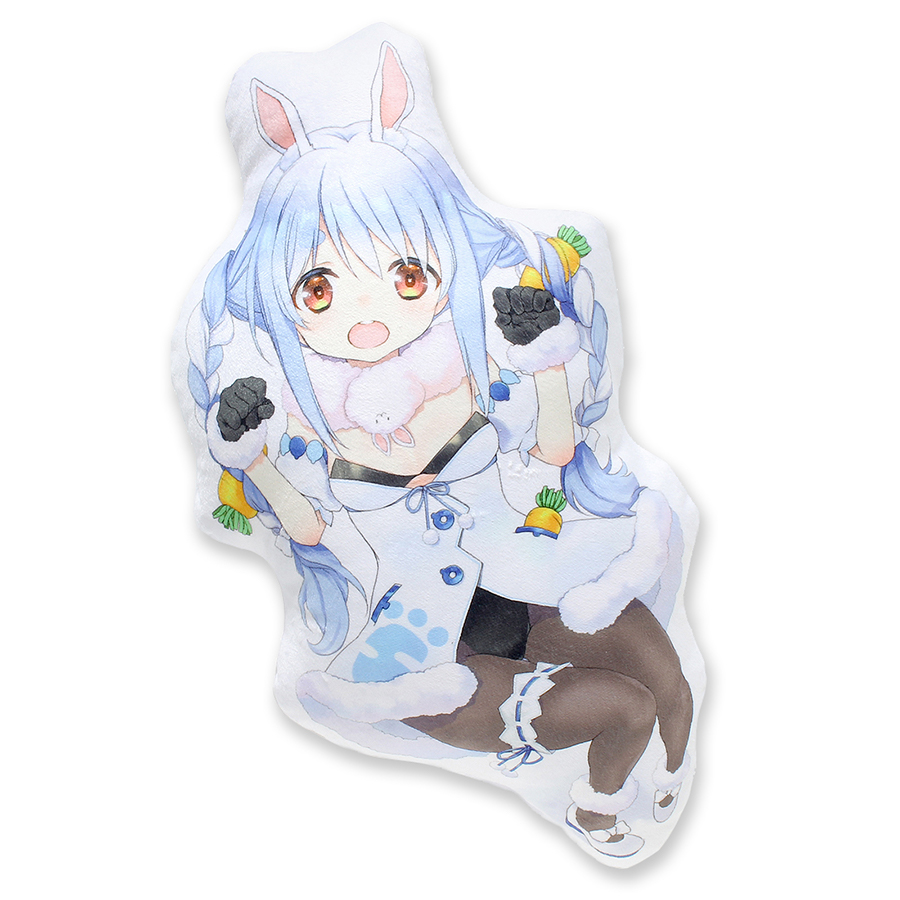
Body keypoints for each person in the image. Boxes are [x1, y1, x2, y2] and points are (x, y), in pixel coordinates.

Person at [185, 42, 694, 859]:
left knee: (667, 684)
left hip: (536, 587)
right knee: (627, 707)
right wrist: (254, 462)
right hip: (423, 653)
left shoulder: (477, 371)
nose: (367, 317)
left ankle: (660, 789)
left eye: (408, 277)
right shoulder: (301, 417)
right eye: (319, 288)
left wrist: (548, 361)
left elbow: (555, 449)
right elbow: (307, 532)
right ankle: (599, 811)